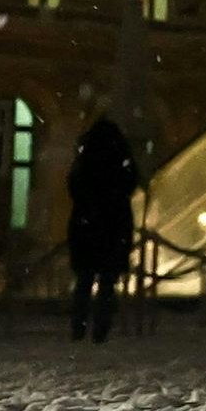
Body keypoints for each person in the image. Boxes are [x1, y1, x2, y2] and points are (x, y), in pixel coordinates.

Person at [66, 115, 140, 342]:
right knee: (107, 284)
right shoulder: (120, 160)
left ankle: (79, 327)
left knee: (84, 281)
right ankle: (100, 329)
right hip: (113, 229)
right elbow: (131, 183)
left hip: (86, 228)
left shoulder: (84, 161)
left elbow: (73, 187)